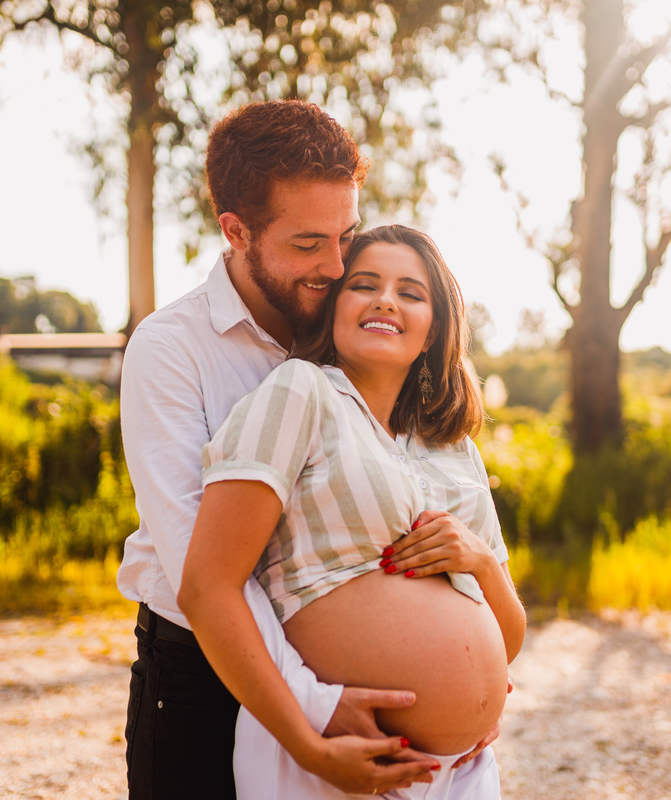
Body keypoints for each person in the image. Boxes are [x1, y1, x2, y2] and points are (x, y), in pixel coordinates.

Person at [119, 102, 454, 799]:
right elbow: (200, 572)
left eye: (347, 235)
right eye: (308, 244)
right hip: (202, 677)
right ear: (236, 231)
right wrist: (312, 708)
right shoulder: (171, 350)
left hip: (336, 665)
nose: (337, 266)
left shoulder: (349, 325)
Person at [180, 224, 527, 798]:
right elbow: (206, 588)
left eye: (410, 292)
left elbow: (508, 643)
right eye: (364, 285)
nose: (386, 299)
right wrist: (308, 745)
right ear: (334, 308)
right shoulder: (301, 392)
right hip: (334, 761)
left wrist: (482, 563)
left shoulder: (456, 449)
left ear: (432, 330)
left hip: (462, 774)